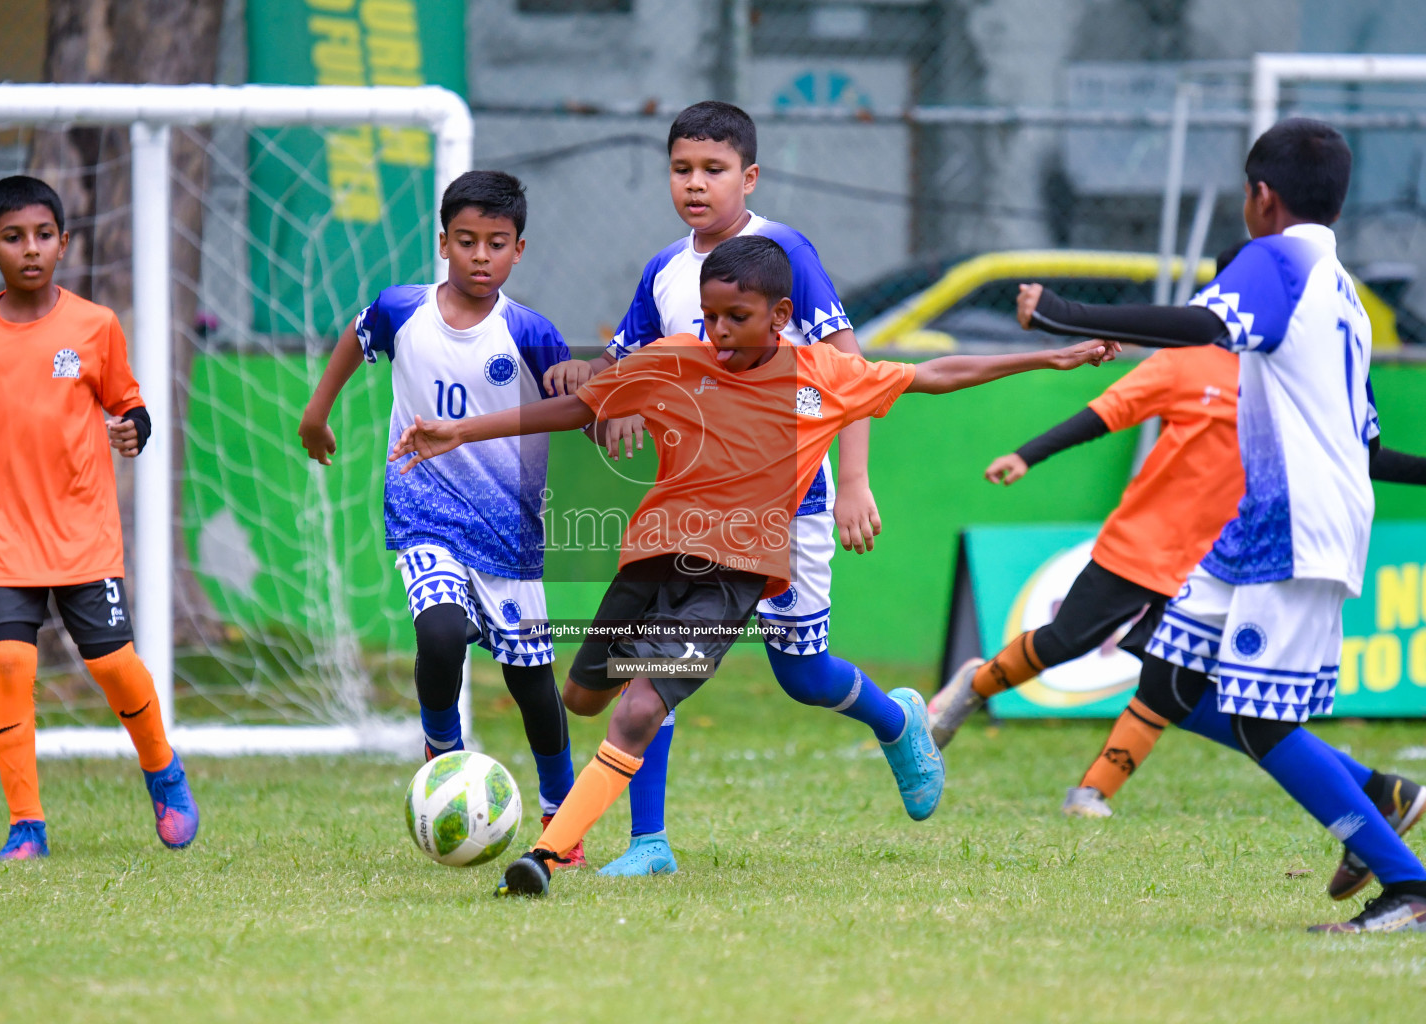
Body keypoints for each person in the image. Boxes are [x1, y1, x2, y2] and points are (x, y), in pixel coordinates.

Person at [393, 234, 1117, 896]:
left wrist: (1049, 355)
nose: (717, 333)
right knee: (585, 698)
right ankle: (599, 825)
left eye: (734, 318)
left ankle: (545, 857)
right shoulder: (679, 360)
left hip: (730, 582)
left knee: (644, 706)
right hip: (649, 564)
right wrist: (460, 429)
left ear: (779, 315)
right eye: (708, 317)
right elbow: (582, 408)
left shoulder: (822, 374)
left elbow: (938, 372)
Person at [936, 119, 1426, 933]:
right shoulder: (1342, 294)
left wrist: (1063, 311)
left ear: (1260, 198)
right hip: (1264, 522)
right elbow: (1368, 448)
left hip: (1294, 524)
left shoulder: (1280, 259)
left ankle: (1407, 884)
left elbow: (1204, 329)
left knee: (1265, 723)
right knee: (1167, 677)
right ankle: (1379, 797)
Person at [540, 100, 901, 878]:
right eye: (681, 169)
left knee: (803, 674)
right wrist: (598, 393)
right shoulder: (666, 273)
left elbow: (855, 372)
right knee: (652, 664)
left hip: (794, 506)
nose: (695, 185)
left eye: (714, 170)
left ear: (751, 176)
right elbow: (628, 369)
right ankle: (648, 843)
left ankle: (895, 719)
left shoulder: (785, 253)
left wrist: (855, 483)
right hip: (697, 510)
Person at [0, 175, 197, 860]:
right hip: (2, 535)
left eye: (43, 235)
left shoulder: (94, 326)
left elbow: (131, 405)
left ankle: (162, 770)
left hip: (83, 533)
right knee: (5, 662)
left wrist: (132, 431)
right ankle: (26, 825)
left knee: (115, 666)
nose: (30, 249)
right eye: (12, 237)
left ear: (65, 242)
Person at [297, 170, 584, 865]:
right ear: (442, 244)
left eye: (496, 243)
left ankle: (561, 818)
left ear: (519, 249)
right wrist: (317, 411)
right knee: (441, 630)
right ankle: (442, 748)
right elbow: (354, 337)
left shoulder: (530, 331)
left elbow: (575, 403)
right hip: (423, 512)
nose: (480, 256)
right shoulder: (403, 310)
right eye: (466, 241)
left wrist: (586, 387)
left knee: (534, 687)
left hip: (509, 535)